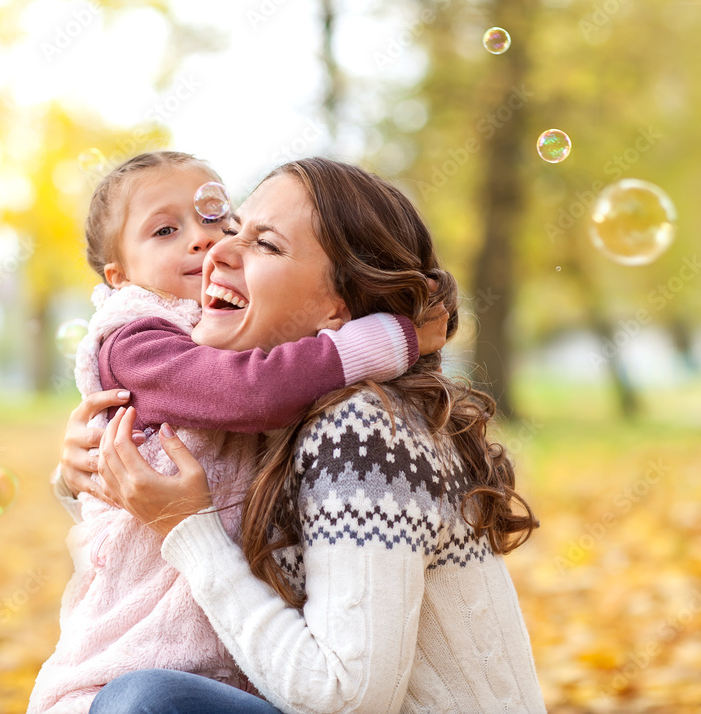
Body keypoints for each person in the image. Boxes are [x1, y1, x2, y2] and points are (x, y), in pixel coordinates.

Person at [86, 158, 546, 713]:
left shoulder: (365, 430)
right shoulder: (283, 415)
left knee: (146, 702)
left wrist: (188, 529)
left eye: (264, 244)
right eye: (235, 230)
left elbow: (346, 698)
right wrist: (89, 469)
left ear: (339, 308)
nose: (215, 250)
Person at [30, 152, 449, 713]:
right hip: (125, 663)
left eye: (217, 222)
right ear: (120, 277)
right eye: (165, 230)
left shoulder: (356, 426)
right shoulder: (135, 339)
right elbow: (250, 392)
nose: (206, 243)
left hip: (234, 669)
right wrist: (387, 338)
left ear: (337, 304)